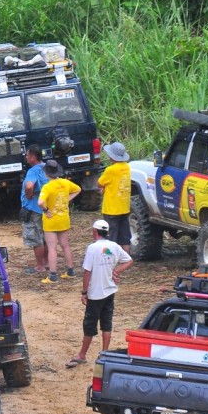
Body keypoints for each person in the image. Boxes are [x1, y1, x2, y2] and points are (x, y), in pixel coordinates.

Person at [67, 219, 133, 367]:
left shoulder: (92, 248)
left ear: (95, 231)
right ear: (107, 232)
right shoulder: (114, 246)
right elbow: (128, 260)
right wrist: (116, 270)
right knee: (106, 323)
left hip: (96, 293)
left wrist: (84, 292)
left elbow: (86, 272)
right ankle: (104, 354)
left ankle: (82, 354)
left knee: (90, 324)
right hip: (110, 291)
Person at [38, 159, 81, 285]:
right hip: (63, 218)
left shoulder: (47, 187)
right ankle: (70, 271)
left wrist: (45, 210)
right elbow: (78, 189)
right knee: (65, 245)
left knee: (52, 248)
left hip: (51, 220)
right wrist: (68, 199)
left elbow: (40, 202)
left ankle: (52, 275)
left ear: (46, 173)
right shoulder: (65, 183)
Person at [98, 141, 132, 254]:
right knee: (125, 235)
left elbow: (100, 182)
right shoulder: (127, 167)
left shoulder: (110, 170)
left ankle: (110, 259)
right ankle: (126, 258)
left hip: (112, 208)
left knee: (111, 236)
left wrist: (103, 188)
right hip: (124, 206)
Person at [20, 144, 49, 274]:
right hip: (45, 208)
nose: (26, 157)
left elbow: (29, 185)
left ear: (32, 157)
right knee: (45, 237)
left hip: (33, 208)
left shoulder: (33, 171)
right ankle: (47, 262)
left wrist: (28, 194)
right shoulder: (47, 168)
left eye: (27, 155)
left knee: (36, 238)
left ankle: (40, 265)